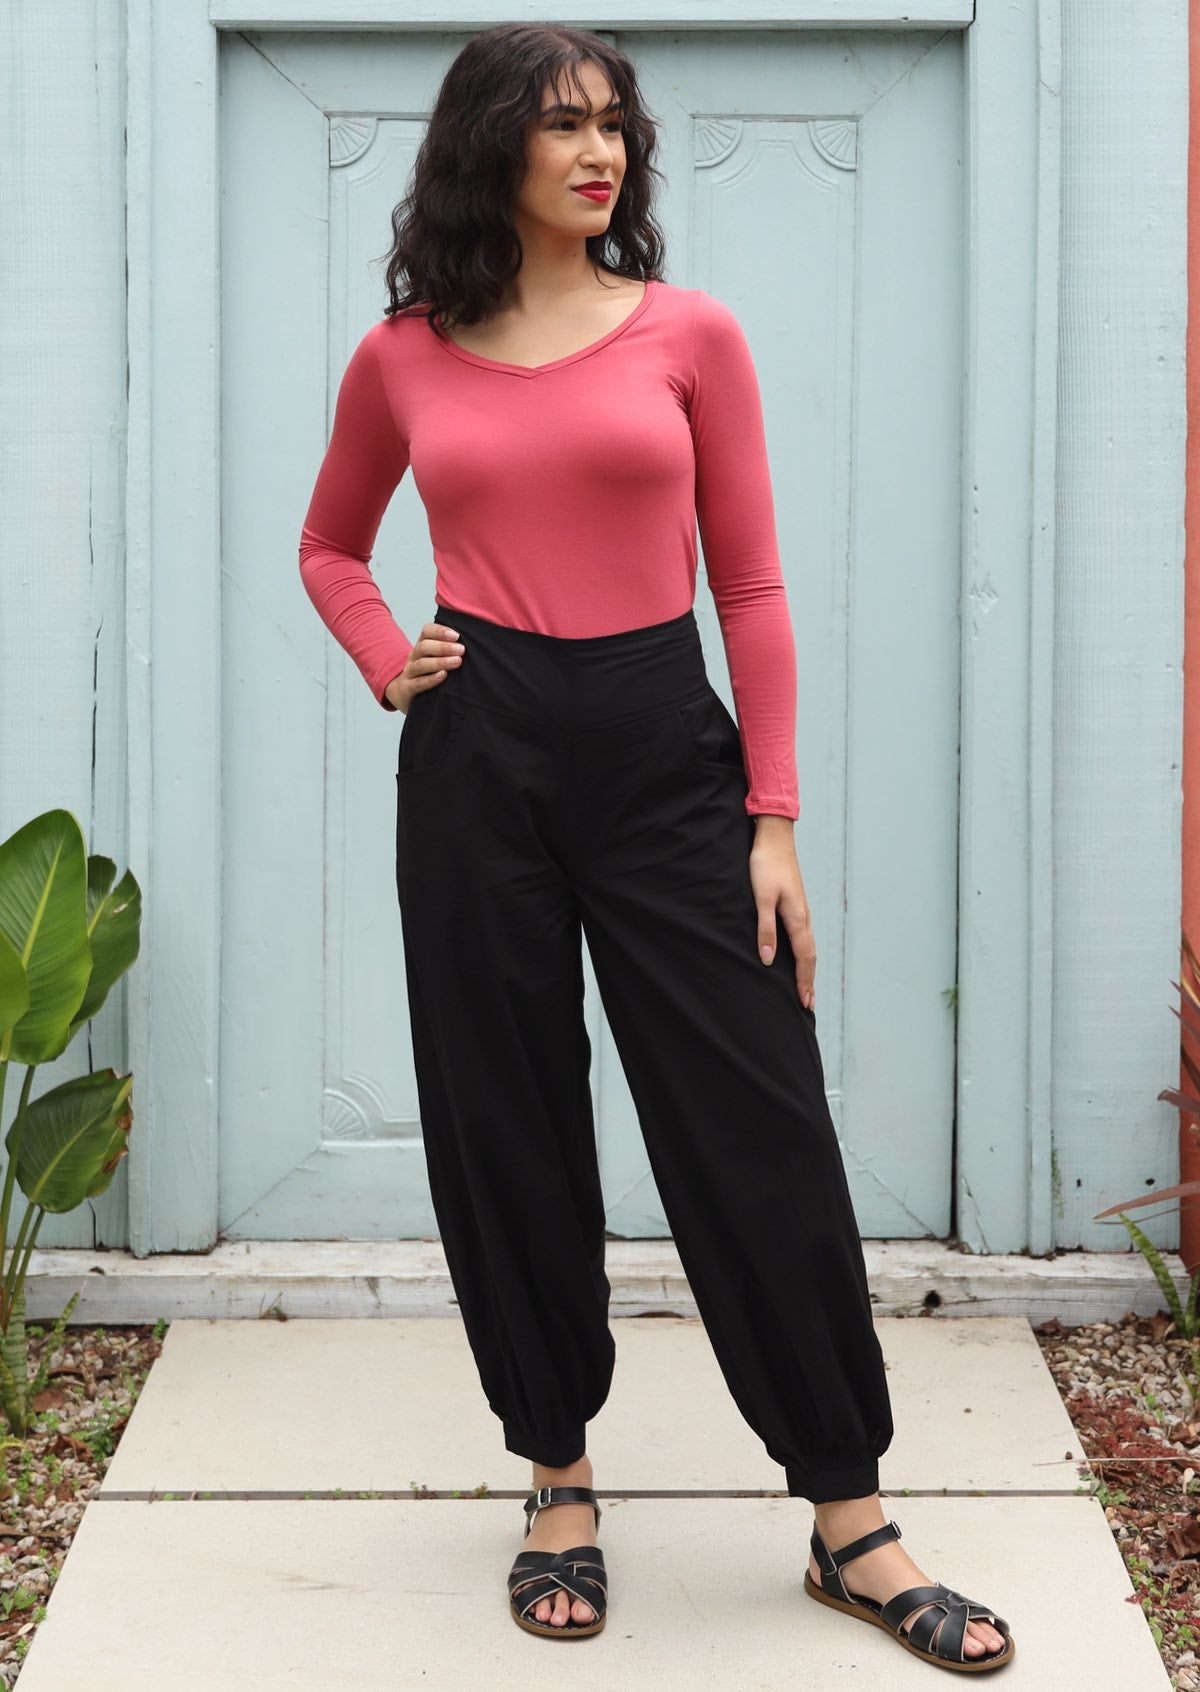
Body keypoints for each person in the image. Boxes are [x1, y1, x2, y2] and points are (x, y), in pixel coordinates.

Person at [298, 21, 1014, 1672]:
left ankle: (852, 1517)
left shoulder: (691, 333)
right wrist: (382, 650)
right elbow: (332, 540)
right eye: (560, 126)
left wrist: (774, 816)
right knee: (508, 1113)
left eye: (613, 123)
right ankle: (557, 1479)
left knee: (756, 1115)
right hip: (479, 755)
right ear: (493, 149)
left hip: (663, 750)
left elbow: (749, 587)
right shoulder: (406, 352)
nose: (597, 151)